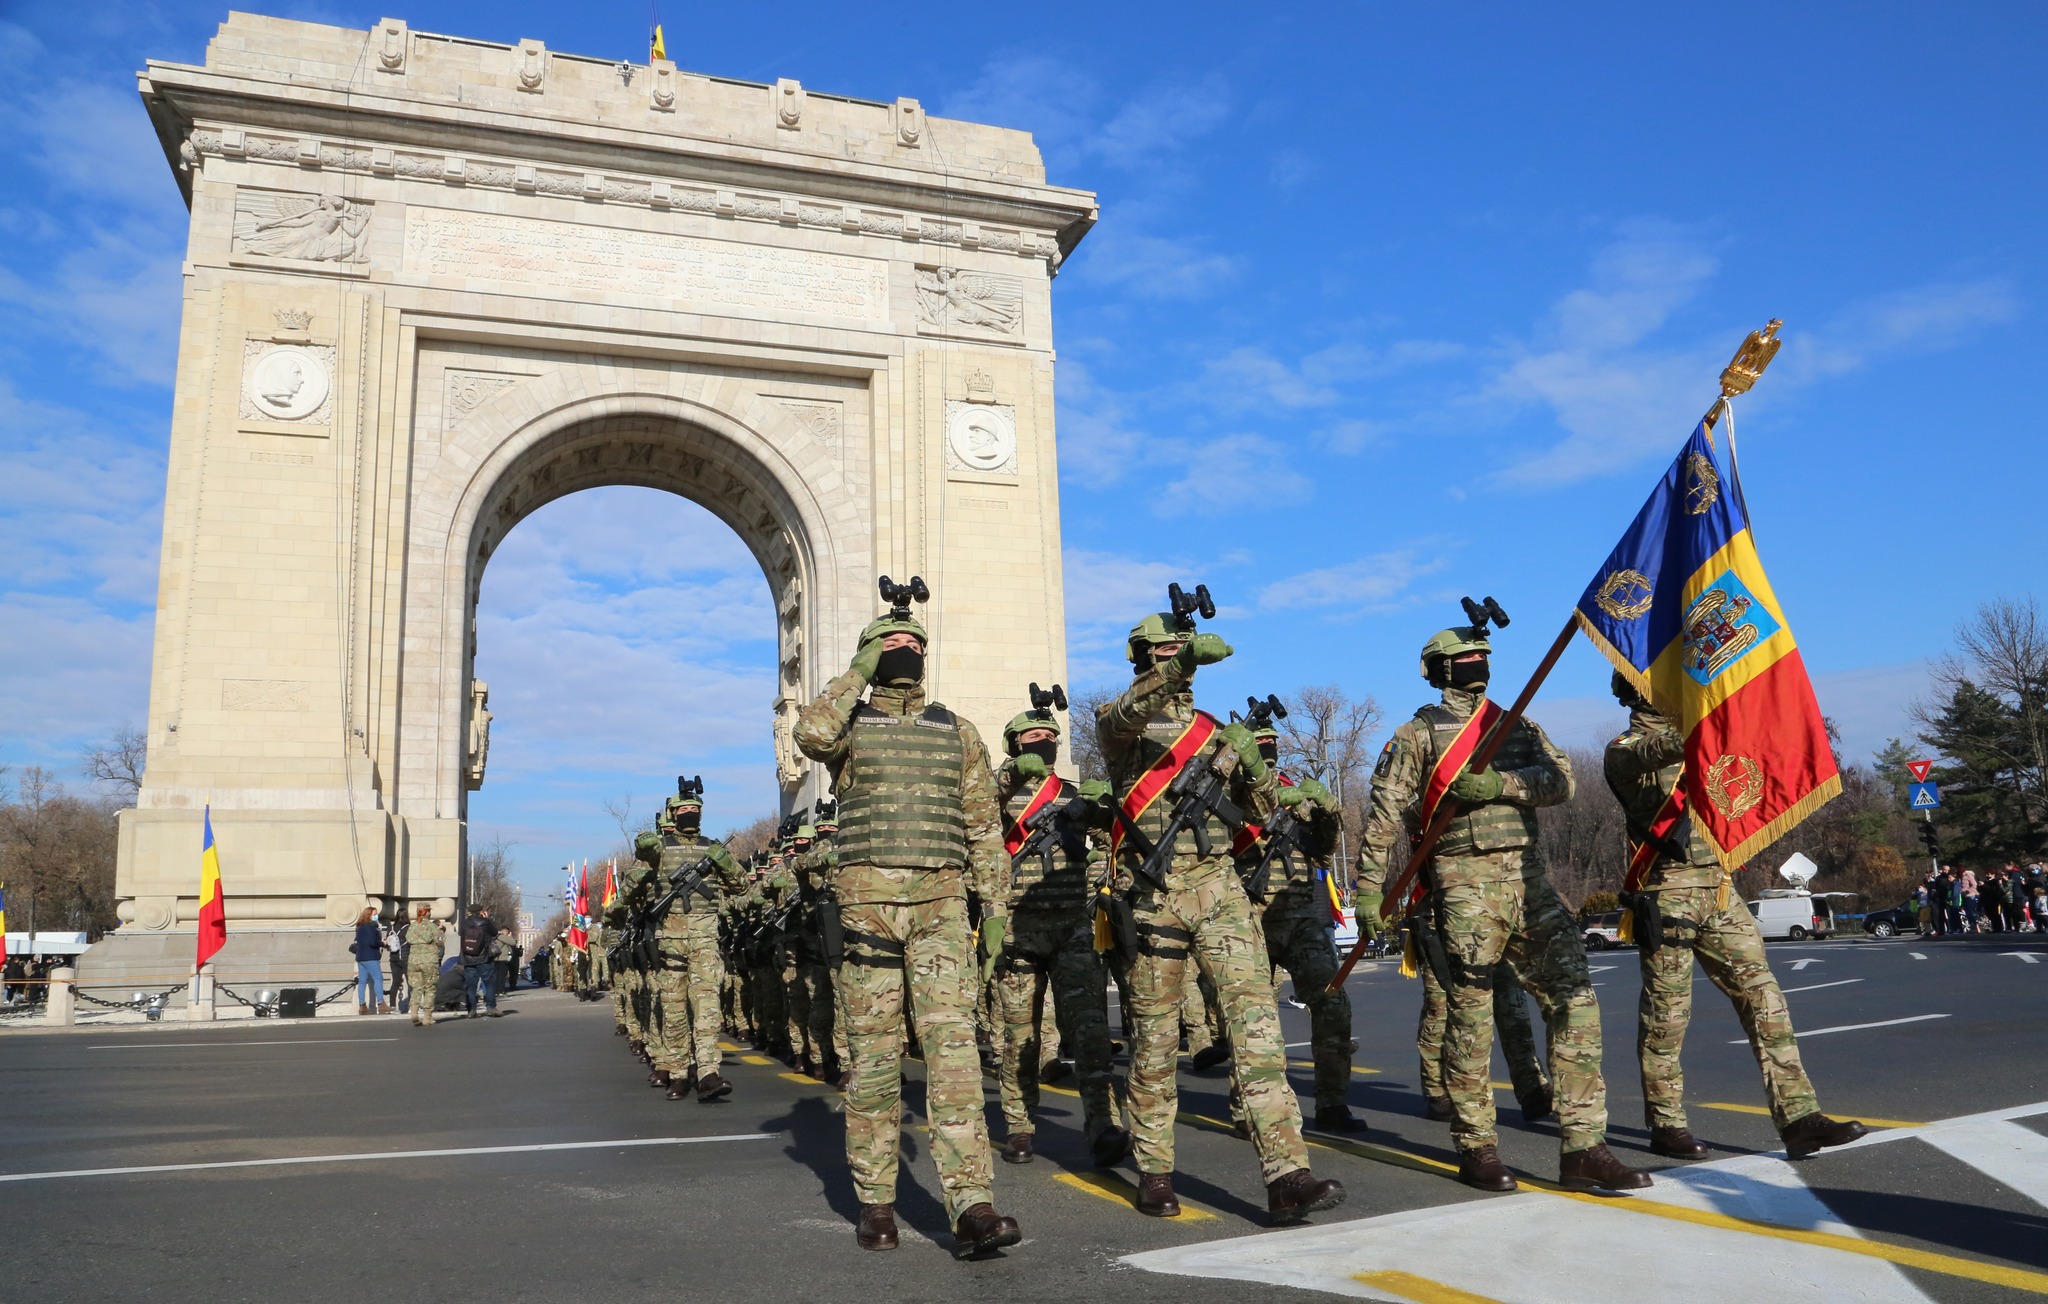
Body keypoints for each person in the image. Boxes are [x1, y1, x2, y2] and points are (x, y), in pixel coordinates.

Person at [1359, 622, 1647, 1194]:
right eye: (1466, 657)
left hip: (1531, 880)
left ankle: (1584, 1145)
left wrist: (1502, 786)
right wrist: (1370, 890)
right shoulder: (1416, 735)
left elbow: (1561, 782)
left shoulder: (1515, 725)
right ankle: (1477, 1147)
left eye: (1483, 655)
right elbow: (1383, 816)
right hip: (1463, 881)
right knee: (1469, 1018)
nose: (1477, 664)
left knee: (1576, 1002)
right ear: (1439, 669)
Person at [1094, 606, 1344, 1224]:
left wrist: (1252, 764)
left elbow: (1259, 811)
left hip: (1219, 889)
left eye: (1183, 650)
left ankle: (1288, 1172)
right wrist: (1176, 667)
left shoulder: (1213, 733)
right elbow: (1121, 717)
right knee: (1154, 1041)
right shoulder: (1122, 726)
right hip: (1151, 895)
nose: (1177, 660)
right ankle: (1154, 1168)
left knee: (1257, 1028)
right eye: (1164, 652)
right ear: (1142, 658)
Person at [794, 589, 1022, 1259]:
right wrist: (859, 669)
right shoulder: (849, 726)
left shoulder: (957, 732)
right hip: (867, 908)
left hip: (942, 907)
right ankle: (877, 1201)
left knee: (954, 1055)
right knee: (873, 1059)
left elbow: (984, 828)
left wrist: (998, 911)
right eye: (894, 643)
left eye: (917, 644)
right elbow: (809, 733)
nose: (908, 652)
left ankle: (972, 1205)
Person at [1604, 671, 1867, 1161]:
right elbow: (1660, 749)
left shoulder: (1701, 732)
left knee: (1765, 999)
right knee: (1667, 1017)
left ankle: (1799, 1117)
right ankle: (1667, 1123)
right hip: (1668, 895)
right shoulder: (1625, 748)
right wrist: (1709, 720)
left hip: (1721, 891)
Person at [991, 696, 1130, 1169]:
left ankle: (1103, 1125)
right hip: (1019, 929)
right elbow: (970, 819)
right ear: (1014, 745)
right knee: (1020, 1036)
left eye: (1051, 738)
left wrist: (1104, 809)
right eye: (1034, 738)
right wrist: (1007, 779)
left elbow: (1113, 838)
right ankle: (1020, 1126)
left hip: (1073, 925)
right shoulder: (997, 797)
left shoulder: (1069, 794)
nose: (1044, 744)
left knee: (1090, 1032)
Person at [1234, 711, 1368, 1134]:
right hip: (1250, 917)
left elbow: (1324, 850)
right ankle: (1248, 1109)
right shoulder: (1228, 792)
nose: (1269, 747)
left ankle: (1332, 1103)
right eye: (1261, 741)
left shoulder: (1294, 789)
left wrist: (1328, 809)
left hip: (1305, 919)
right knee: (1251, 1019)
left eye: (1273, 740)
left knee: (1331, 1002)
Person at [629, 789, 747, 1101]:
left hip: (705, 940)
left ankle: (708, 1072)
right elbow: (638, 868)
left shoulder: (712, 848)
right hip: (670, 941)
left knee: (708, 1009)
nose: (690, 814)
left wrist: (724, 861)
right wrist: (645, 844)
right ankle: (678, 1073)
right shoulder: (661, 849)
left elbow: (741, 884)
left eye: (695, 808)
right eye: (684, 810)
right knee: (674, 1010)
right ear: (674, 815)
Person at [458, 903, 502, 1016]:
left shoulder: (464, 924)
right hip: (484, 958)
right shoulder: (485, 923)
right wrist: (487, 919)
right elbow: (495, 932)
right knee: (489, 983)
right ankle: (491, 1007)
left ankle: (471, 1010)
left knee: (471, 985)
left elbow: (460, 933)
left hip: (468, 958)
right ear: (480, 911)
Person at [405, 905, 444, 1026]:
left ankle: (414, 1012)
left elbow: (407, 939)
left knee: (416, 988)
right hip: (429, 962)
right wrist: (441, 930)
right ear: (427, 913)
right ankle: (427, 1017)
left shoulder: (412, 926)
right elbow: (440, 941)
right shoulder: (433, 927)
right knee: (430, 988)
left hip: (414, 961)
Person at [352, 907, 388, 1014]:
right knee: (378, 978)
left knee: (363, 981)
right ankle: (381, 1003)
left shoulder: (360, 926)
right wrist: (382, 943)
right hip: (371, 956)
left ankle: (362, 1005)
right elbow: (373, 942)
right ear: (369, 915)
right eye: (374, 914)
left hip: (360, 957)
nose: (376, 916)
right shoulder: (371, 927)